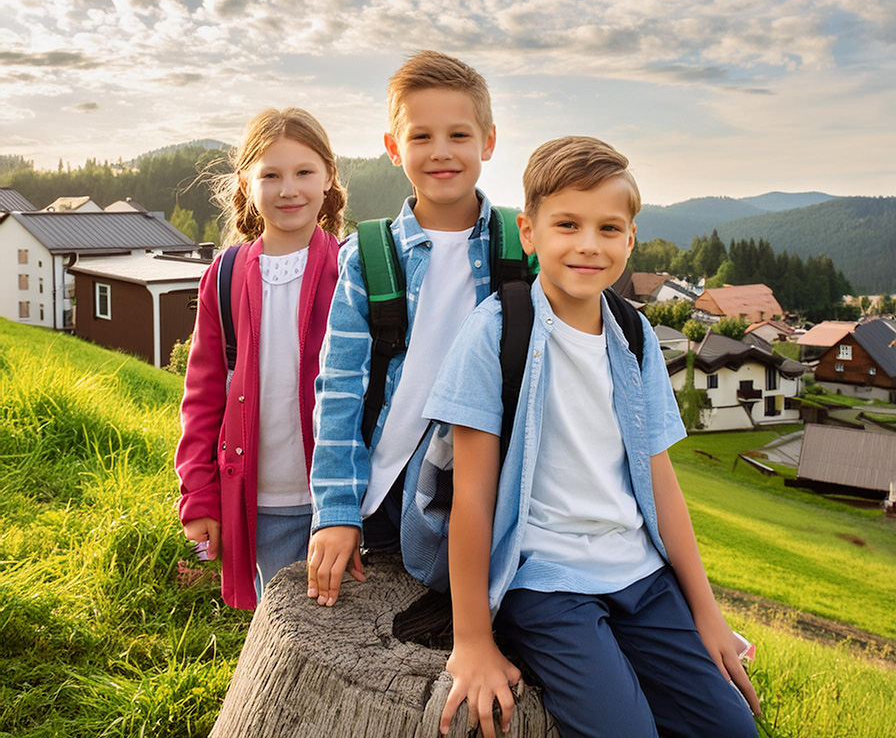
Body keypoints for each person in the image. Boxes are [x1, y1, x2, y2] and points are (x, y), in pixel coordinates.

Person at [425, 136, 761, 738]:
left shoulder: (635, 337)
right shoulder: (498, 334)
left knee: (732, 730)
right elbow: (471, 497)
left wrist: (706, 614)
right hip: (547, 584)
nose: (588, 244)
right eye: (567, 224)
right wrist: (472, 639)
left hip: (641, 574)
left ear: (630, 240)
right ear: (529, 233)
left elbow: (660, 480)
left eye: (609, 228)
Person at [307, 50, 498, 607]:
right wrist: (336, 512)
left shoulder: (519, 249)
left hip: (477, 493)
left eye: (459, 135)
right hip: (380, 493)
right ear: (393, 147)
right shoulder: (369, 256)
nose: (441, 152)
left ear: (488, 141)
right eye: (421, 137)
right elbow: (338, 388)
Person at [175, 107, 344, 610]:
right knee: (279, 632)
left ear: (329, 177)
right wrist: (199, 496)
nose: (288, 189)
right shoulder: (223, 277)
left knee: (340, 634)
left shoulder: (352, 270)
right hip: (259, 503)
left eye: (304, 172)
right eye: (271, 175)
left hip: (336, 503)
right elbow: (202, 398)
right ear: (247, 183)